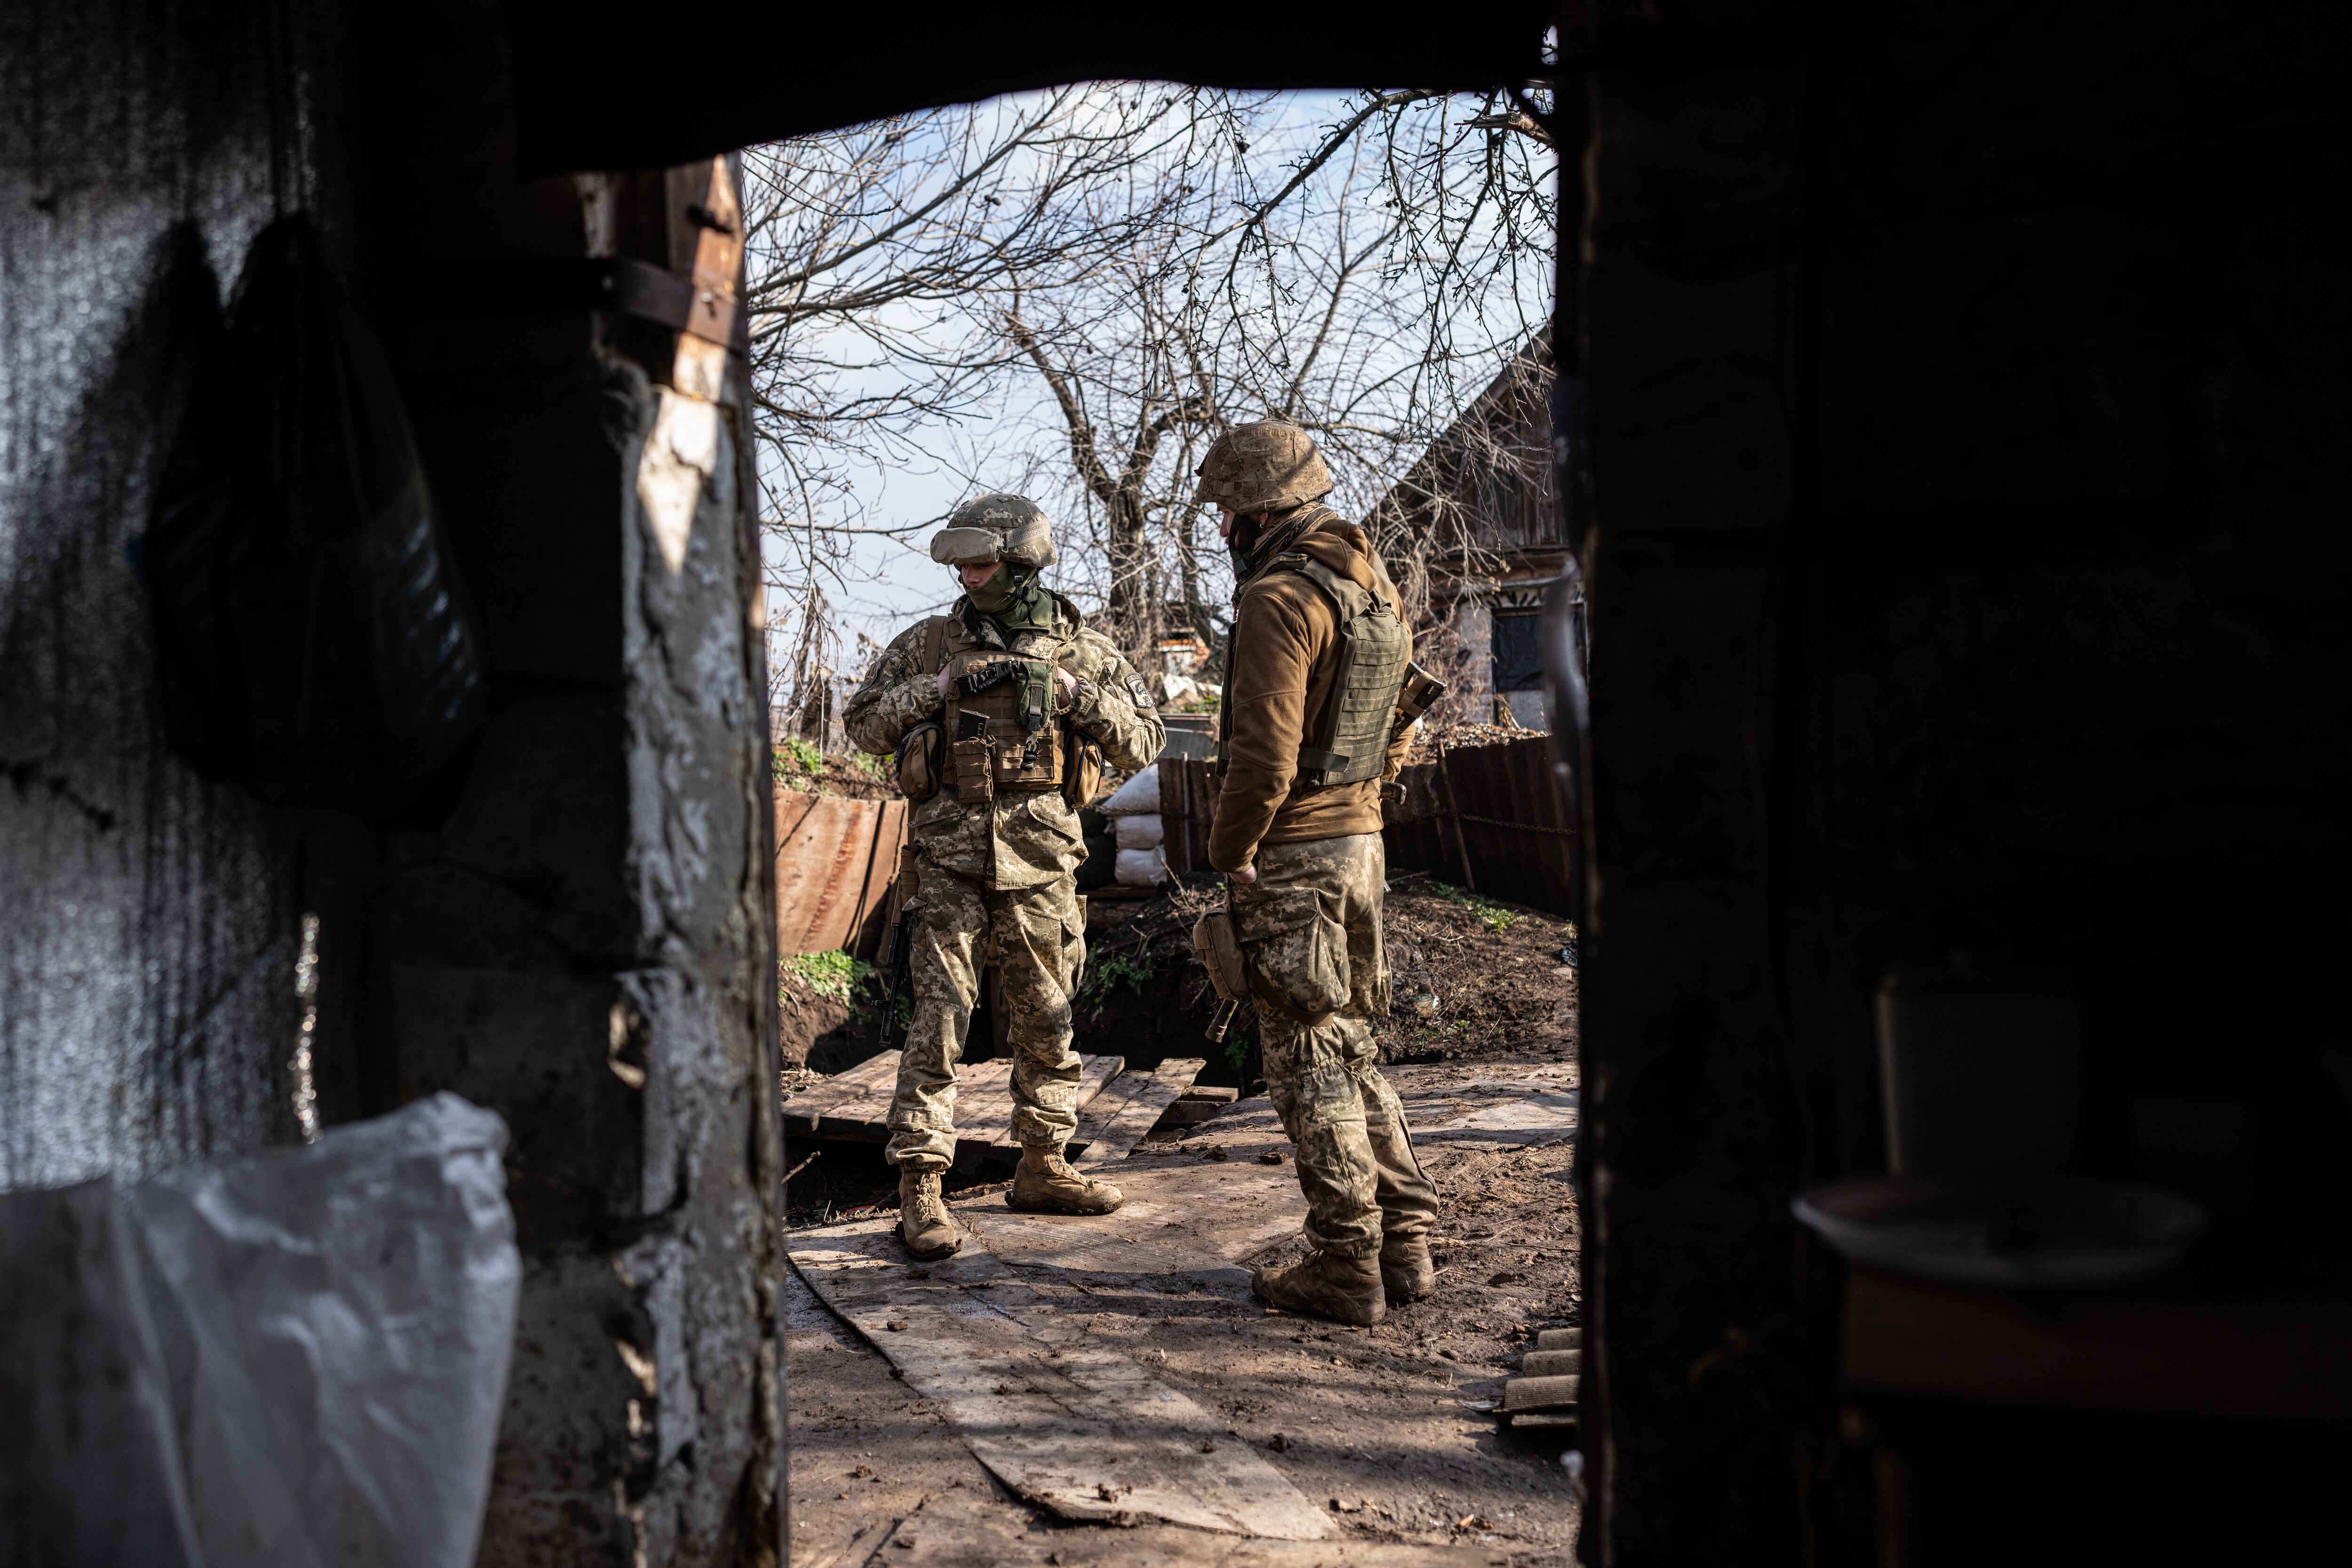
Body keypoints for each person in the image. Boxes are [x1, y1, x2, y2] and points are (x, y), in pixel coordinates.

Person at [844, 494, 1167, 1260]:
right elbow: (861, 725)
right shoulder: (929, 643)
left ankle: (1044, 1164)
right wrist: (939, 687)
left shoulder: (1079, 648)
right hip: (949, 860)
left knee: (1048, 1017)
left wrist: (1076, 698)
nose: (966, 574)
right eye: (961, 563)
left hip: (1044, 861)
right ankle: (921, 1183)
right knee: (940, 1018)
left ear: (1021, 563)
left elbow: (1145, 740)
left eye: (981, 562)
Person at [1197, 420, 1439, 1326]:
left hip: (1296, 853)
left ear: (1259, 509)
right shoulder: (1368, 582)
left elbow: (1261, 755)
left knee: (1305, 1054)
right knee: (1351, 1041)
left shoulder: (1278, 598)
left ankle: (1347, 1263)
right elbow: (1407, 712)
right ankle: (1405, 1239)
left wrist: (1232, 852)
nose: (1221, 526)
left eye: (1226, 510)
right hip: (1361, 845)